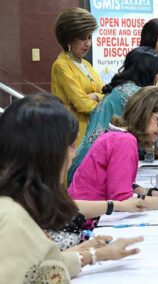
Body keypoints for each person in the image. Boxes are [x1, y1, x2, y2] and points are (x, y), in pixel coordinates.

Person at [0, 94, 144, 282]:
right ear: (49, 153)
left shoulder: (23, 200)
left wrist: (94, 255)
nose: (74, 156)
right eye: (71, 146)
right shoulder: (12, 218)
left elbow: (41, 266)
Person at [68, 86, 158, 209]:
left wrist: (151, 193)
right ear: (143, 113)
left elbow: (120, 182)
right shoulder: (125, 141)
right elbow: (122, 200)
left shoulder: (120, 135)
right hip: (86, 223)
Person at [67, 47, 158, 184]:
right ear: (147, 71)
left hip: (86, 159)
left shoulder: (124, 88)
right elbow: (151, 136)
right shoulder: (133, 94)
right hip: (94, 168)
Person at [51, 8, 103, 145]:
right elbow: (83, 105)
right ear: (68, 37)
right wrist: (94, 99)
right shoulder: (61, 65)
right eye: (82, 38)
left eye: (89, 37)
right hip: (73, 136)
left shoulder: (86, 64)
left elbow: (106, 93)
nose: (88, 43)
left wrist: (96, 96)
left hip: (92, 132)